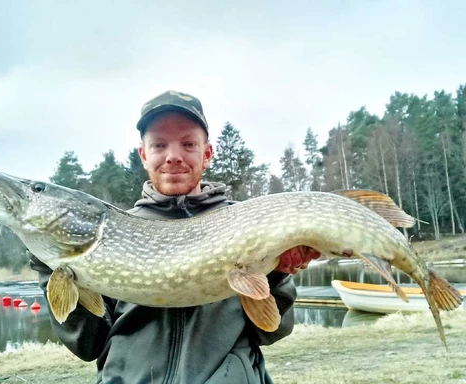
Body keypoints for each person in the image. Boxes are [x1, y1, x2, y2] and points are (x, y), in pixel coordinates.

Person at [29, 90, 320, 384]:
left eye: (188, 144)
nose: (173, 156)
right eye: (159, 144)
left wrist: (277, 274)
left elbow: (271, 330)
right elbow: (87, 344)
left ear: (206, 154)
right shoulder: (111, 232)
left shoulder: (247, 225)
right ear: (144, 155)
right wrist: (48, 262)